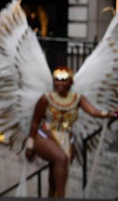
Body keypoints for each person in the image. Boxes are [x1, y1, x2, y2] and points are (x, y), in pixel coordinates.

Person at [24, 66, 118, 198]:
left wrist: (109, 114)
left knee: (54, 177)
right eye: (57, 79)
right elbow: (35, 122)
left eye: (64, 80)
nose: (60, 83)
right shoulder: (46, 98)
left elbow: (93, 111)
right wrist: (30, 144)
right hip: (46, 136)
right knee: (61, 159)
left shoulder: (77, 98)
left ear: (70, 82)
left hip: (67, 140)